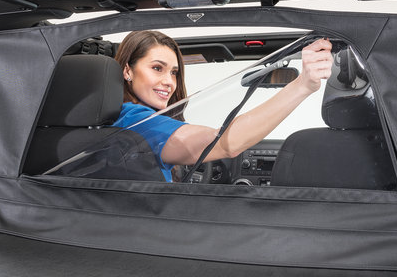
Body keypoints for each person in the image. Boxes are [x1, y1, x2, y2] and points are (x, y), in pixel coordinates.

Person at [113, 30, 333, 182]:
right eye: (157, 68)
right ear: (127, 71)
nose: (169, 82)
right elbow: (224, 143)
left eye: (174, 72)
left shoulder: (111, 118)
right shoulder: (138, 122)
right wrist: (302, 86)